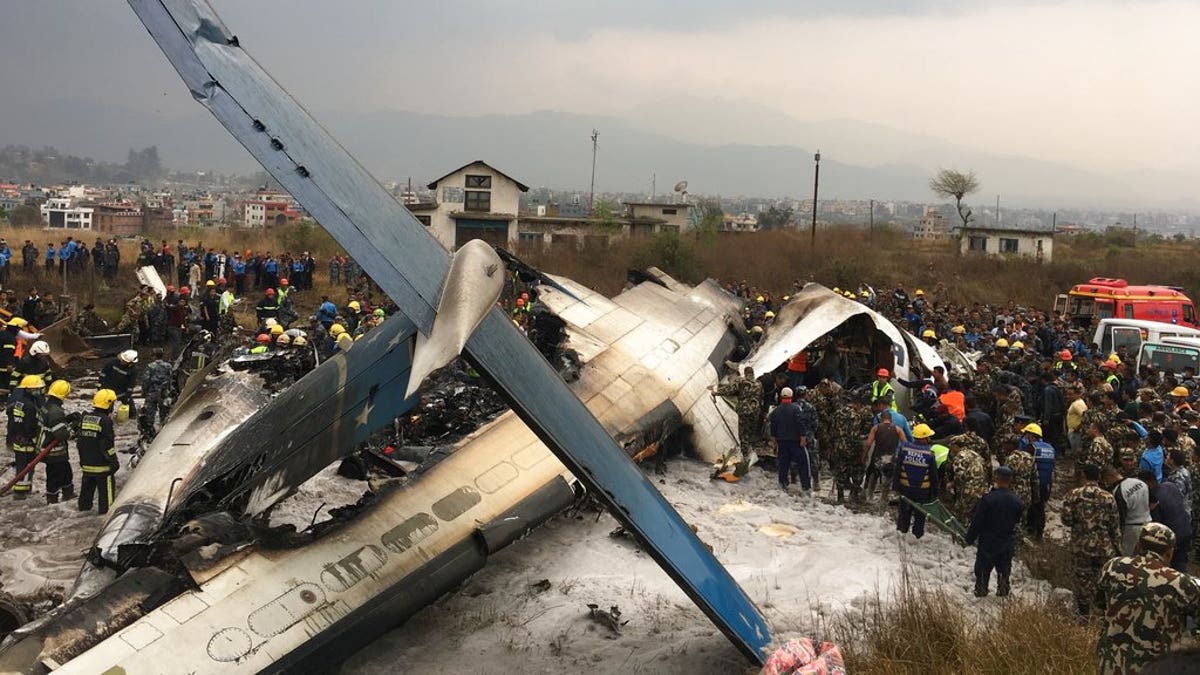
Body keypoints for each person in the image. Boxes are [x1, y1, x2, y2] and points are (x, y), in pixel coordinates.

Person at [1096, 523, 1200, 674]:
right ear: (1169, 553)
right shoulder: (1182, 584)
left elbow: (1100, 603)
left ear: (1139, 545)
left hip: (1111, 664)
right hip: (1158, 668)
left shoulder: (1112, 567)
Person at [1060, 463, 1121, 615]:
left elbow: (1066, 520)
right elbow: (1115, 526)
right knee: (1103, 580)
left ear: (1083, 476)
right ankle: (1103, 614)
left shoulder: (1073, 495)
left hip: (1081, 546)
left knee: (1083, 581)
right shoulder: (1108, 497)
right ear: (1099, 477)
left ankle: (1084, 615)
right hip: (1104, 547)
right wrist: (1117, 548)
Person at [965, 466, 1024, 597]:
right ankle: (1002, 602)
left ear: (997, 478)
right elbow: (1017, 524)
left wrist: (969, 538)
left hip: (988, 543)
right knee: (1004, 577)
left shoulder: (987, 499)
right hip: (1006, 543)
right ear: (1010, 480)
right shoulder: (1018, 502)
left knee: (981, 575)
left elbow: (977, 522)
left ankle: (981, 596)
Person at [893, 423, 939, 539]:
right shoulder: (929, 454)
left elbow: (897, 469)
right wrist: (935, 493)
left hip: (905, 489)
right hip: (922, 492)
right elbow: (933, 476)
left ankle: (902, 534)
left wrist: (896, 486)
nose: (929, 439)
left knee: (904, 514)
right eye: (928, 437)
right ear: (924, 438)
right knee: (920, 516)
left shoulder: (904, 449)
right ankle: (917, 536)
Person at [77, 389, 119, 515]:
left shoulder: (85, 418)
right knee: (107, 508)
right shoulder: (105, 421)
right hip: (103, 468)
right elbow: (107, 445)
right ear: (109, 404)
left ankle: (83, 516)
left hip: (87, 466)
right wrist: (114, 461)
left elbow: (80, 442)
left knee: (85, 501)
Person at [1143, 470, 1193, 572]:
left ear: (1148, 483)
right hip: (1186, 528)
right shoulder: (1170, 485)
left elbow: (1157, 523)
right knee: (1181, 561)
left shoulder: (1154, 498)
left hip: (1173, 535)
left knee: (1171, 567)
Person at [768, 386, 814, 496]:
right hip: (796, 442)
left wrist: (774, 439)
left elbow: (772, 427)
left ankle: (783, 484)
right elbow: (800, 424)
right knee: (803, 464)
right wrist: (803, 437)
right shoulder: (796, 409)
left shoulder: (776, 411)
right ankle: (806, 487)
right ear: (791, 396)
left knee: (783, 463)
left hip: (782, 442)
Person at [5, 375, 45, 499]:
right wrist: (35, 440)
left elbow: (12, 421)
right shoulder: (30, 407)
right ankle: (22, 492)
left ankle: (20, 490)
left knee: (20, 466)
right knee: (27, 467)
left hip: (18, 439)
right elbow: (30, 426)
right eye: (36, 389)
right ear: (30, 389)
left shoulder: (18, 402)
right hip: (27, 442)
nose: (38, 391)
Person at [41, 379, 76, 504]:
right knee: (56, 476)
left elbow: (52, 424)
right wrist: (73, 431)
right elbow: (61, 433)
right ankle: (53, 500)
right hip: (55, 452)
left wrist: (68, 419)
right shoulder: (56, 411)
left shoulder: (47, 406)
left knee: (65, 472)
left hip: (49, 449)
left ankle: (67, 493)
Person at [1107, 466, 1152, 556]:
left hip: (1132, 529)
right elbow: (1152, 501)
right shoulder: (1139, 482)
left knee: (1129, 558)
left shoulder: (1119, 491)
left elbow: (1121, 516)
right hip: (1148, 524)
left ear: (1110, 477)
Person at [1021, 422, 1056, 540]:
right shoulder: (1050, 448)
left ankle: (1030, 530)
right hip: (1046, 483)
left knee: (1031, 506)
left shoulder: (1031, 447)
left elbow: (1023, 463)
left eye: (1027, 435)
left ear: (1031, 435)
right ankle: (1039, 532)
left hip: (1033, 483)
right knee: (1040, 507)